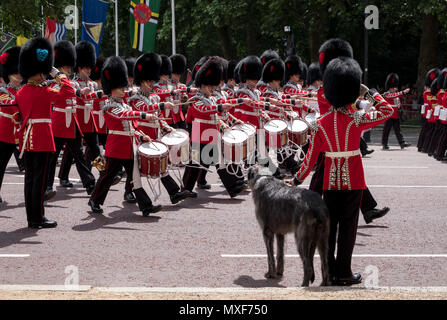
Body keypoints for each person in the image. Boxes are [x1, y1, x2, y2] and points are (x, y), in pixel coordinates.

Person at [293, 57, 394, 285]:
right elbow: (387, 110)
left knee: (329, 229)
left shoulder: (319, 123)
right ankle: (344, 273)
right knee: (348, 230)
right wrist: (369, 93)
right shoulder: (357, 119)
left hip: (330, 181)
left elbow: (310, 159)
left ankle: (328, 273)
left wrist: (297, 178)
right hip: (354, 180)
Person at [88, 56, 161, 216]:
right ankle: (94, 200)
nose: (124, 89)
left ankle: (145, 206)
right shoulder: (109, 106)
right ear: (111, 88)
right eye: (120, 87)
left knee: (135, 177)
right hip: (116, 147)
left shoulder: (124, 103)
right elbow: (124, 115)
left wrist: (141, 137)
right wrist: (144, 115)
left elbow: (131, 127)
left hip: (128, 147)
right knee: (107, 176)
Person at [15, 37, 76, 228]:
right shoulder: (44, 91)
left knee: (30, 180)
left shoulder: (21, 92)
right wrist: (56, 72)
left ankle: (31, 218)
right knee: (40, 182)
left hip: (27, 139)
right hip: (41, 138)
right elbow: (69, 91)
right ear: (38, 72)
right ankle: (38, 218)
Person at [182, 57, 250, 198]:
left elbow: (218, 113)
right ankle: (186, 188)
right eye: (209, 86)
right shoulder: (196, 99)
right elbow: (204, 109)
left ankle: (232, 187)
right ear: (202, 85)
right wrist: (220, 107)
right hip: (199, 133)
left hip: (211, 133)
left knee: (220, 161)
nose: (212, 89)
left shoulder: (211, 97)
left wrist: (239, 101)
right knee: (195, 163)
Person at [128, 52, 191, 204]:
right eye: (148, 81)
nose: (151, 84)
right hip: (140, 135)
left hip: (154, 134)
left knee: (161, 165)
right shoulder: (135, 98)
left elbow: (158, 116)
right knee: (136, 167)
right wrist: (162, 105)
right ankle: (128, 192)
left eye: (152, 81)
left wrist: (166, 127)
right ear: (141, 81)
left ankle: (174, 192)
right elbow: (145, 108)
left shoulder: (154, 96)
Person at [45, 40, 96, 197]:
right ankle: (47, 186)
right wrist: (79, 92)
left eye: (69, 66)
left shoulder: (73, 82)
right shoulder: (52, 84)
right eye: (65, 66)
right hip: (59, 122)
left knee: (79, 155)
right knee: (52, 157)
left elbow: (79, 93)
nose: (68, 68)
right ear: (58, 68)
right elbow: (64, 93)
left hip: (72, 123)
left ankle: (89, 184)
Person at [0, 46, 21, 203]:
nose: (19, 76)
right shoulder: (3, 91)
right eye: (15, 73)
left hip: (19, 134)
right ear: (8, 74)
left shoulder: (21, 90)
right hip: (4, 132)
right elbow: (9, 104)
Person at [381, 73, 411, 150]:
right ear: (390, 88)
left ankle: (402, 143)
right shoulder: (387, 94)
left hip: (396, 114)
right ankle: (384, 144)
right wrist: (403, 92)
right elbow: (393, 96)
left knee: (398, 130)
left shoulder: (395, 94)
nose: (396, 88)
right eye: (394, 87)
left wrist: (399, 105)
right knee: (386, 130)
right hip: (389, 114)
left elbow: (397, 100)